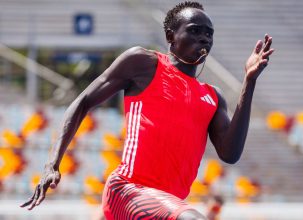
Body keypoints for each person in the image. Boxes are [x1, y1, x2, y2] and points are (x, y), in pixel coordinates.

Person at [20, 1, 274, 219]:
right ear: (170, 36)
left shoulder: (213, 97)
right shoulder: (143, 64)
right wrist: (52, 164)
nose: (204, 38)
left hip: (167, 204)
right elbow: (83, 101)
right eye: (195, 30)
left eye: (209, 33)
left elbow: (230, 154)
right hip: (127, 190)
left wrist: (249, 82)